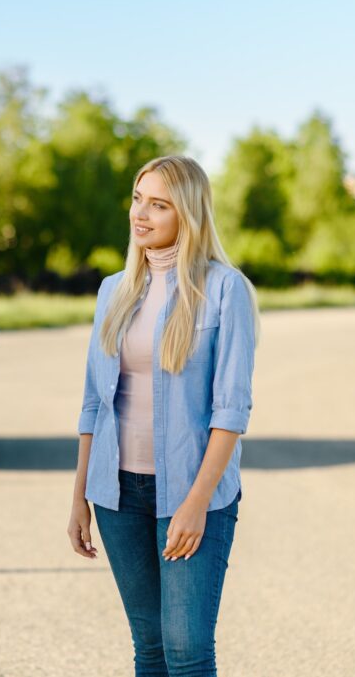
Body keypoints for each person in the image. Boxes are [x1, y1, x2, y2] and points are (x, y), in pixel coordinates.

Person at [67, 155, 260, 676]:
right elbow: (93, 402)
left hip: (192, 495)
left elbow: (232, 411)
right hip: (117, 494)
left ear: (189, 214)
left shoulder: (225, 289)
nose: (141, 214)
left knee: (187, 648)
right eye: (137, 200)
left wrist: (196, 504)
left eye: (158, 205)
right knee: (149, 646)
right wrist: (81, 494)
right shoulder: (114, 290)